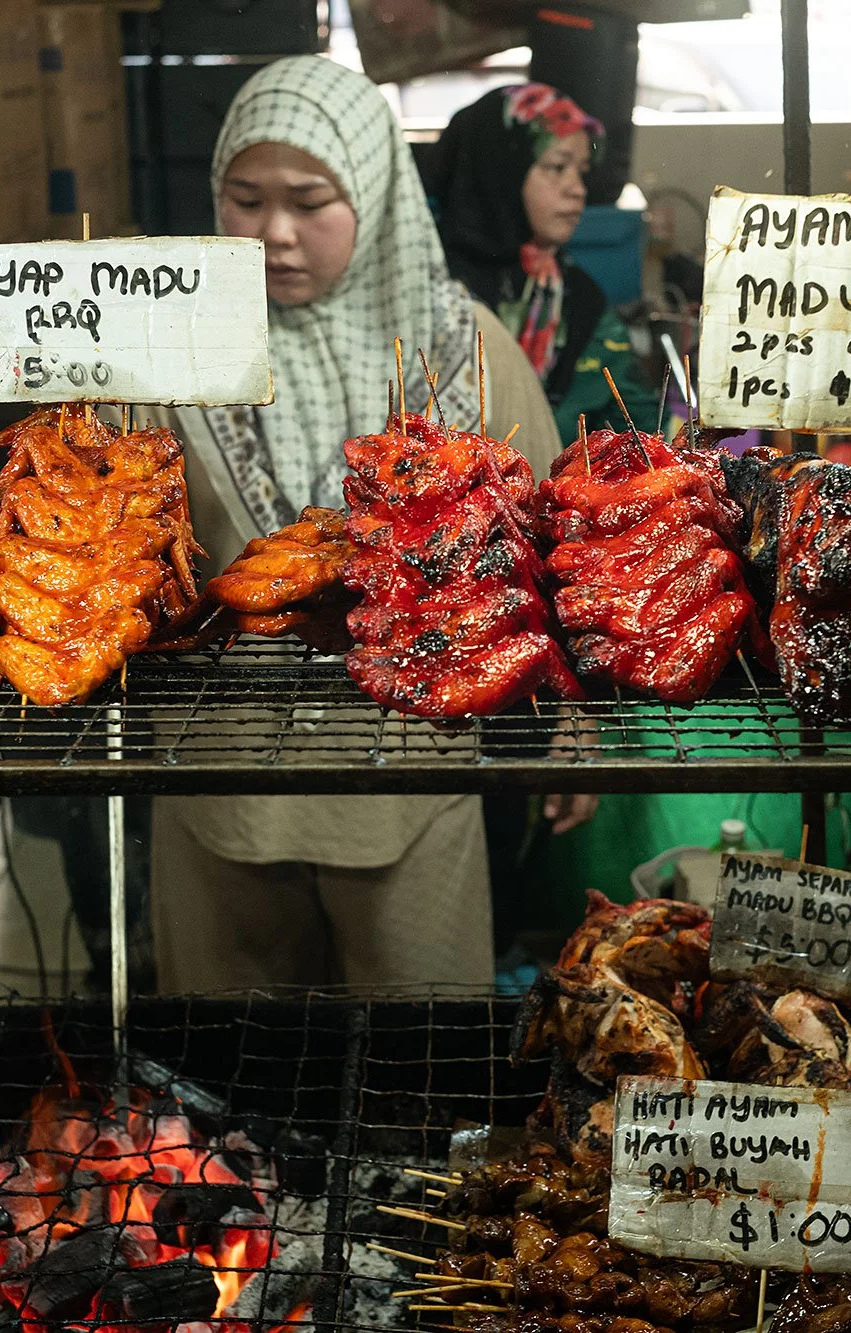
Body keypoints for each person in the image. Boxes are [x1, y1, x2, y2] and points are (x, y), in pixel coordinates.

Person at [148, 56, 592, 991]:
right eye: (243, 199)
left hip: (406, 783)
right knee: (223, 1084)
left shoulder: (461, 351)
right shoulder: (166, 348)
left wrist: (573, 723)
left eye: (311, 202)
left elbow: (558, 547)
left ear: (377, 194)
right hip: (214, 781)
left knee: (412, 1080)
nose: (274, 233)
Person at [425, 84, 659, 436]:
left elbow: (645, 425)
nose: (577, 188)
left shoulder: (578, 303)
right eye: (556, 166)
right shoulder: (429, 292)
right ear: (500, 172)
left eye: (580, 170)